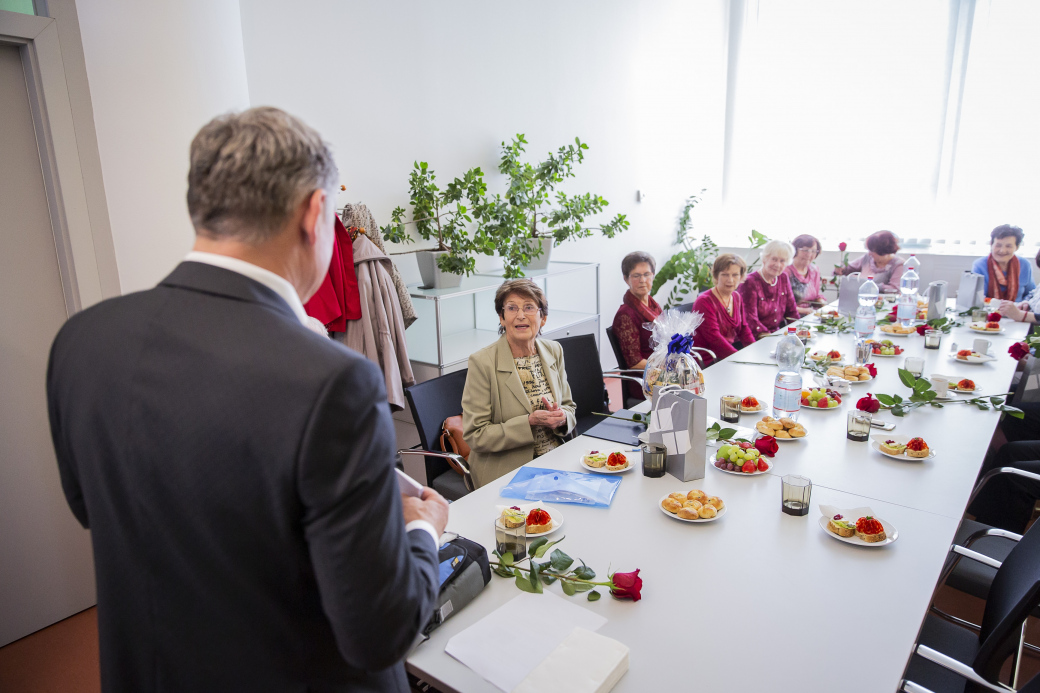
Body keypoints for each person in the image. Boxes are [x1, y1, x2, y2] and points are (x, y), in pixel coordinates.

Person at [46, 107, 449, 692]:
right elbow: (378, 630)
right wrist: (422, 529)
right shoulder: (334, 382)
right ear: (315, 213)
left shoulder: (84, 339)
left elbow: (103, 509)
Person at [462, 279, 577, 488]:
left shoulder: (554, 350)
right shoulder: (482, 362)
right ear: (502, 317)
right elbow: (475, 435)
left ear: (543, 318)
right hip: (507, 472)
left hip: (556, 460)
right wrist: (529, 423)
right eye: (512, 308)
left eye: (529, 307)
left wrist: (562, 418)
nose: (521, 315)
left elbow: (570, 407)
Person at [612, 251, 662, 401]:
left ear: (653, 275)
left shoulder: (653, 306)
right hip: (645, 382)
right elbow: (634, 363)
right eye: (636, 275)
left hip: (660, 372)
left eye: (647, 274)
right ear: (626, 279)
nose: (642, 280)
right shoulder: (626, 315)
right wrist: (666, 371)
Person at [691, 254, 756, 366]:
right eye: (725, 275)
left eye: (735, 275)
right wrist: (739, 359)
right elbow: (714, 340)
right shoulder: (704, 301)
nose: (730, 280)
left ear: (741, 277)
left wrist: (755, 350)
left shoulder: (736, 297)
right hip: (708, 359)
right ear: (716, 276)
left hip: (726, 356)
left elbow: (744, 329)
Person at [737, 239, 800, 339]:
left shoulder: (783, 277)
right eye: (774, 259)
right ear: (764, 258)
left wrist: (797, 332)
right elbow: (749, 319)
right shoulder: (750, 282)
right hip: (755, 337)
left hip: (777, 334)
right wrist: (769, 337)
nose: (778, 265)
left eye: (782, 261)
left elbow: (791, 311)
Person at [972, 224, 1036, 303]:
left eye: (1008, 246)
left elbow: (1031, 294)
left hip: (1017, 312)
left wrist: (1024, 304)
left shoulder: (1025, 265)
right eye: (998, 245)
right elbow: (977, 297)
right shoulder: (979, 265)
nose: (1002, 250)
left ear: (1017, 247)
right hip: (988, 311)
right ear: (991, 244)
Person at [833, 230, 905, 293]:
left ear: (883, 251)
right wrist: (841, 268)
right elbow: (849, 267)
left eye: (872, 250)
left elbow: (894, 289)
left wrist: (867, 285)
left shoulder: (898, 264)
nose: (869, 253)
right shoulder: (868, 258)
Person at [785, 234, 825, 316]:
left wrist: (822, 302)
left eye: (814, 251)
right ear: (795, 250)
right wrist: (804, 310)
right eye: (805, 250)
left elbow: (816, 296)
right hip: (791, 316)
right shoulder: (785, 271)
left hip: (810, 315)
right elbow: (780, 304)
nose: (809, 254)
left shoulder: (814, 270)